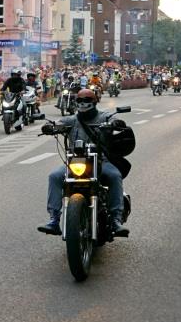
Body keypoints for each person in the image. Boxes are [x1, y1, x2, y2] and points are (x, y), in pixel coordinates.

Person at [38, 89, 129, 236]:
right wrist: (49, 127)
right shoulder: (71, 120)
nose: (83, 103)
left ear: (94, 101)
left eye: (87, 100)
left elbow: (114, 120)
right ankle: (54, 220)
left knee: (115, 176)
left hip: (101, 162)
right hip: (76, 162)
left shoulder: (104, 117)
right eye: (80, 100)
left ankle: (116, 220)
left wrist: (116, 123)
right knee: (54, 176)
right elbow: (58, 123)